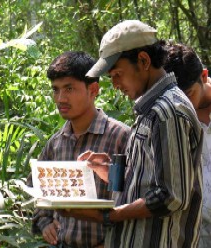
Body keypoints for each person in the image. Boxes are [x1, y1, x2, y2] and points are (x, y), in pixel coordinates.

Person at [58, 20, 203, 248]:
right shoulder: (150, 109)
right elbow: (151, 180)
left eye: (117, 74)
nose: (115, 84)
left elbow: (171, 196)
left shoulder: (167, 112)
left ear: (144, 61)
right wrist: (111, 171)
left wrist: (109, 215)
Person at [28, 51, 130, 248]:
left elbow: (136, 200)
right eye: (56, 90)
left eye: (69, 88)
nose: (60, 98)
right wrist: (45, 222)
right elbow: (36, 190)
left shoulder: (121, 137)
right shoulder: (56, 143)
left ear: (93, 90)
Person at [163, 43, 211, 248]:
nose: (185, 105)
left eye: (189, 94)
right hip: (195, 233)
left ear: (204, 76)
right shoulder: (171, 117)